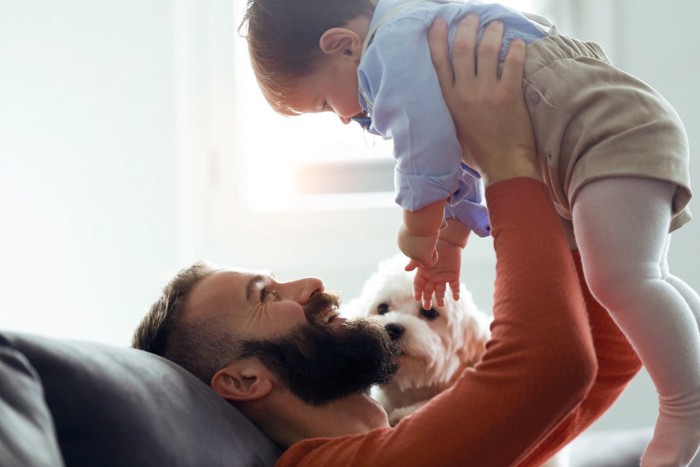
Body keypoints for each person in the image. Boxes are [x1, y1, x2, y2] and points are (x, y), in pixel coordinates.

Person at [133, 19, 642, 466]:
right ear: (245, 380)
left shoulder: (400, 440)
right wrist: (506, 160)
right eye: (265, 295)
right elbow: (555, 365)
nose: (309, 284)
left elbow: (612, 352)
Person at [240, 1, 700, 464]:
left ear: (342, 45)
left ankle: (686, 399)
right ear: (242, 378)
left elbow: (430, 150)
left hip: (596, 135)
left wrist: (433, 228)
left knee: (625, 280)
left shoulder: (393, 52)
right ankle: (688, 390)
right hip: (595, 136)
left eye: (324, 104)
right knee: (638, 277)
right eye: (261, 295)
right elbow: (452, 157)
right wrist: (447, 226)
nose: (342, 118)